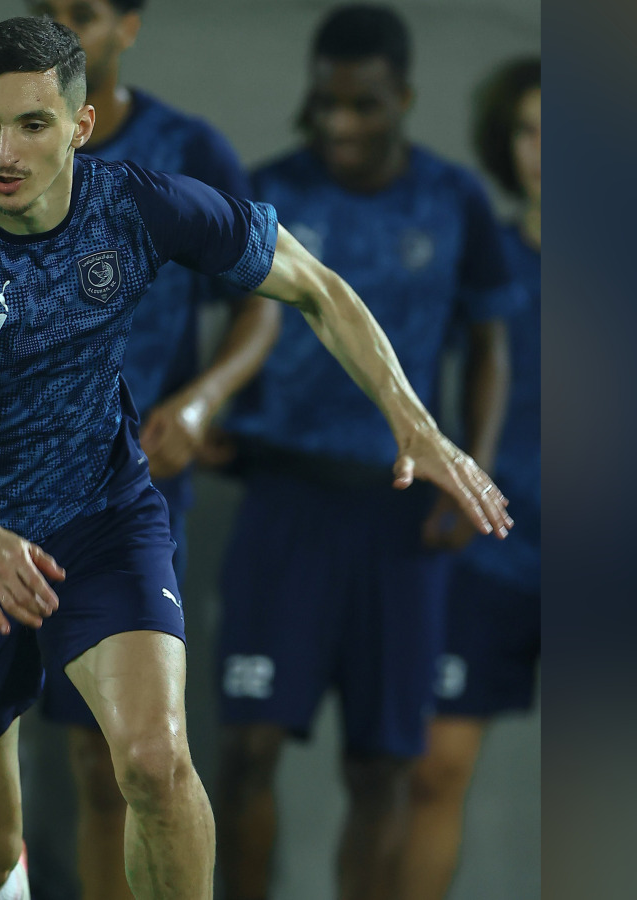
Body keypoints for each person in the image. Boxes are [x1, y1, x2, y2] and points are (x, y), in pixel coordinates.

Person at [0, 16, 511, 900]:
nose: (4, 152)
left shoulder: (138, 204)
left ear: (79, 126)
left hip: (99, 519)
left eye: (33, 124)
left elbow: (315, 287)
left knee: (155, 762)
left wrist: (413, 421)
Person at [0, 3, 279, 898]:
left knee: (124, 761)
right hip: (0, 496)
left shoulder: (187, 152)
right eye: (51, 8)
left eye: (85, 12)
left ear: (128, 26)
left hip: (133, 490)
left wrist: (200, 403)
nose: (66, 25)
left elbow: (263, 300)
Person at [206, 6, 524, 900]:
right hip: (283, 505)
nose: (340, 124)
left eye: (363, 106)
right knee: (246, 749)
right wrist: (209, 403)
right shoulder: (269, 192)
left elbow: (490, 346)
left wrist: (468, 471)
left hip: (400, 518)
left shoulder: (453, 200)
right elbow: (234, 318)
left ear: (404, 100)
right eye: (326, 104)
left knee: (384, 766)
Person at [398, 56, 541, 900]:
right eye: (529, 133)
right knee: (434, 771)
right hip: (491, 549)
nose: (545, 153)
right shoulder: (481, 257)